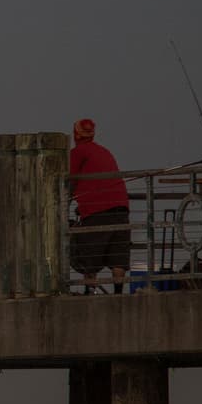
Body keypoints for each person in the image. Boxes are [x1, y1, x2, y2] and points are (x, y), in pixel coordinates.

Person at [69, 118, 130, 294]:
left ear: (76, 134)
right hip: (121, 208)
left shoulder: (78, 152)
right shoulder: (104, 151)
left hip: (96, 210)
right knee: (118, 256)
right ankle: (118, 294)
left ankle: (90, 293)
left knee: (91, 256)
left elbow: (69, 181)